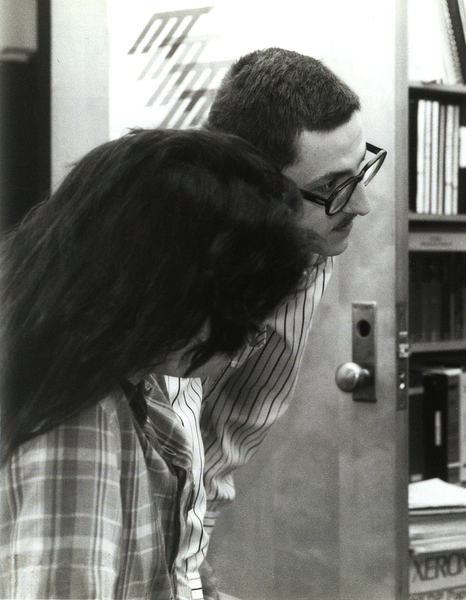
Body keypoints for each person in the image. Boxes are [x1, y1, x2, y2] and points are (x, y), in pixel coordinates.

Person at [0, 128, 318, 599]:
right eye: (247, 309)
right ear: (172, 292)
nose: (255, 334)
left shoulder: (111, 373)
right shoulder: (75, 418)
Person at [161, 48, 386, 596]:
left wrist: (192, 565)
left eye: (363, 169)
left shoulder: (307, 248)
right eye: (336, 187)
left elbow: (232, 428)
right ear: (257, 189)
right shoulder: (159, 259)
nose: (363, 204)